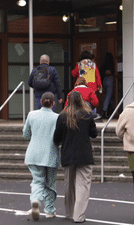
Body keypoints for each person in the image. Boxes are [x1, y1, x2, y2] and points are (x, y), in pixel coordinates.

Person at [53, 91, 97, 223]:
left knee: (69, 185)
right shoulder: (87, 115)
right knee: (83, 186)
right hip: (84, 155)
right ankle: (78, 216)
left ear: (68, 101)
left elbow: (57, 138)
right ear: (81, 101)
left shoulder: (62, 117)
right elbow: (94, 134)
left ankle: (69, 212)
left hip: (68, 155)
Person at [23, 92, 60, 221]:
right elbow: (59, 137)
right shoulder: (57, 117)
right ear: (53, 103)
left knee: (37, 181)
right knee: (50, 183)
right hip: (51, 154)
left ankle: (35, 199)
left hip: (34, 154)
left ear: (41, 101)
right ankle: (50, 210)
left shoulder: (31, 115)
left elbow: (26, 134)